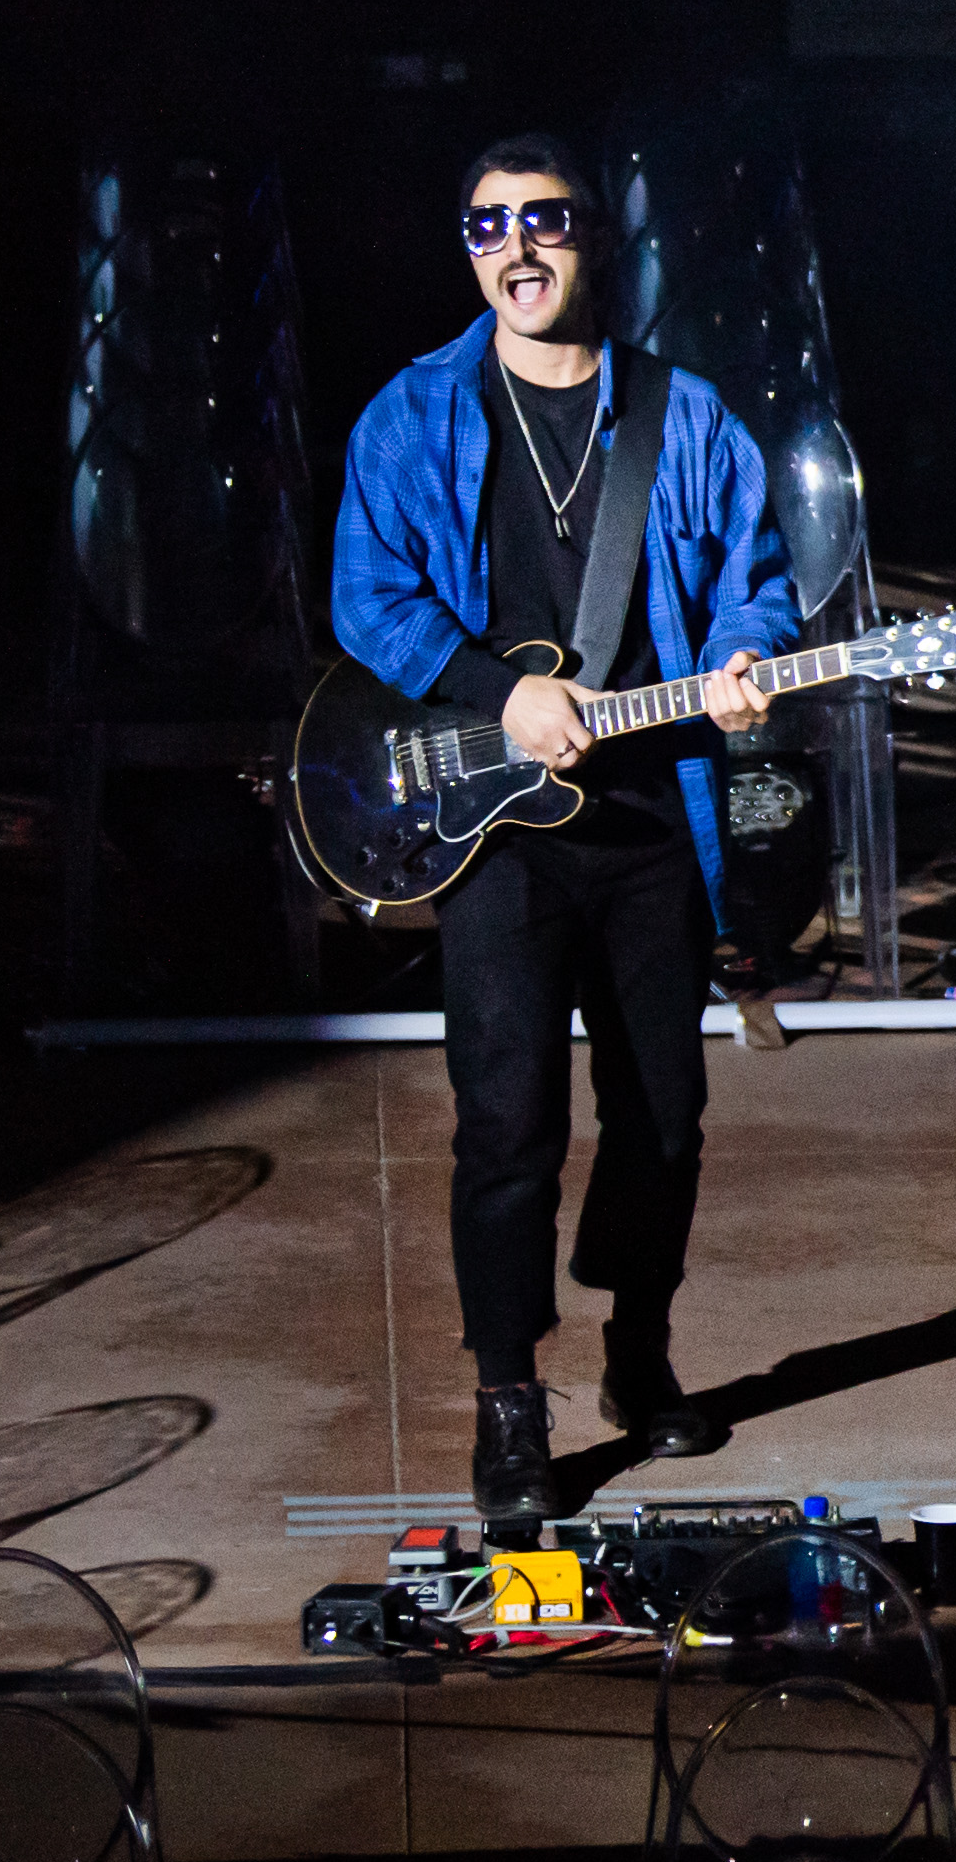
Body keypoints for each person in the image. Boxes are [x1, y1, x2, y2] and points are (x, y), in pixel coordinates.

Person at [327, 136, 799, 1523]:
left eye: (545, 221)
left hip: (653, 816)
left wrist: (749, 662)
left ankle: (637, 1358)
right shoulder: (412, 416)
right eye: (487, 226)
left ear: (596, 238)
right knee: (507, 1122)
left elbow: (753, 586)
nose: (516, 249)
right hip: (499, 829)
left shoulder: (686, 415)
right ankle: (507, 1401)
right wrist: (499, 692)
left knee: (665, 1115)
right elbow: (369, 598)